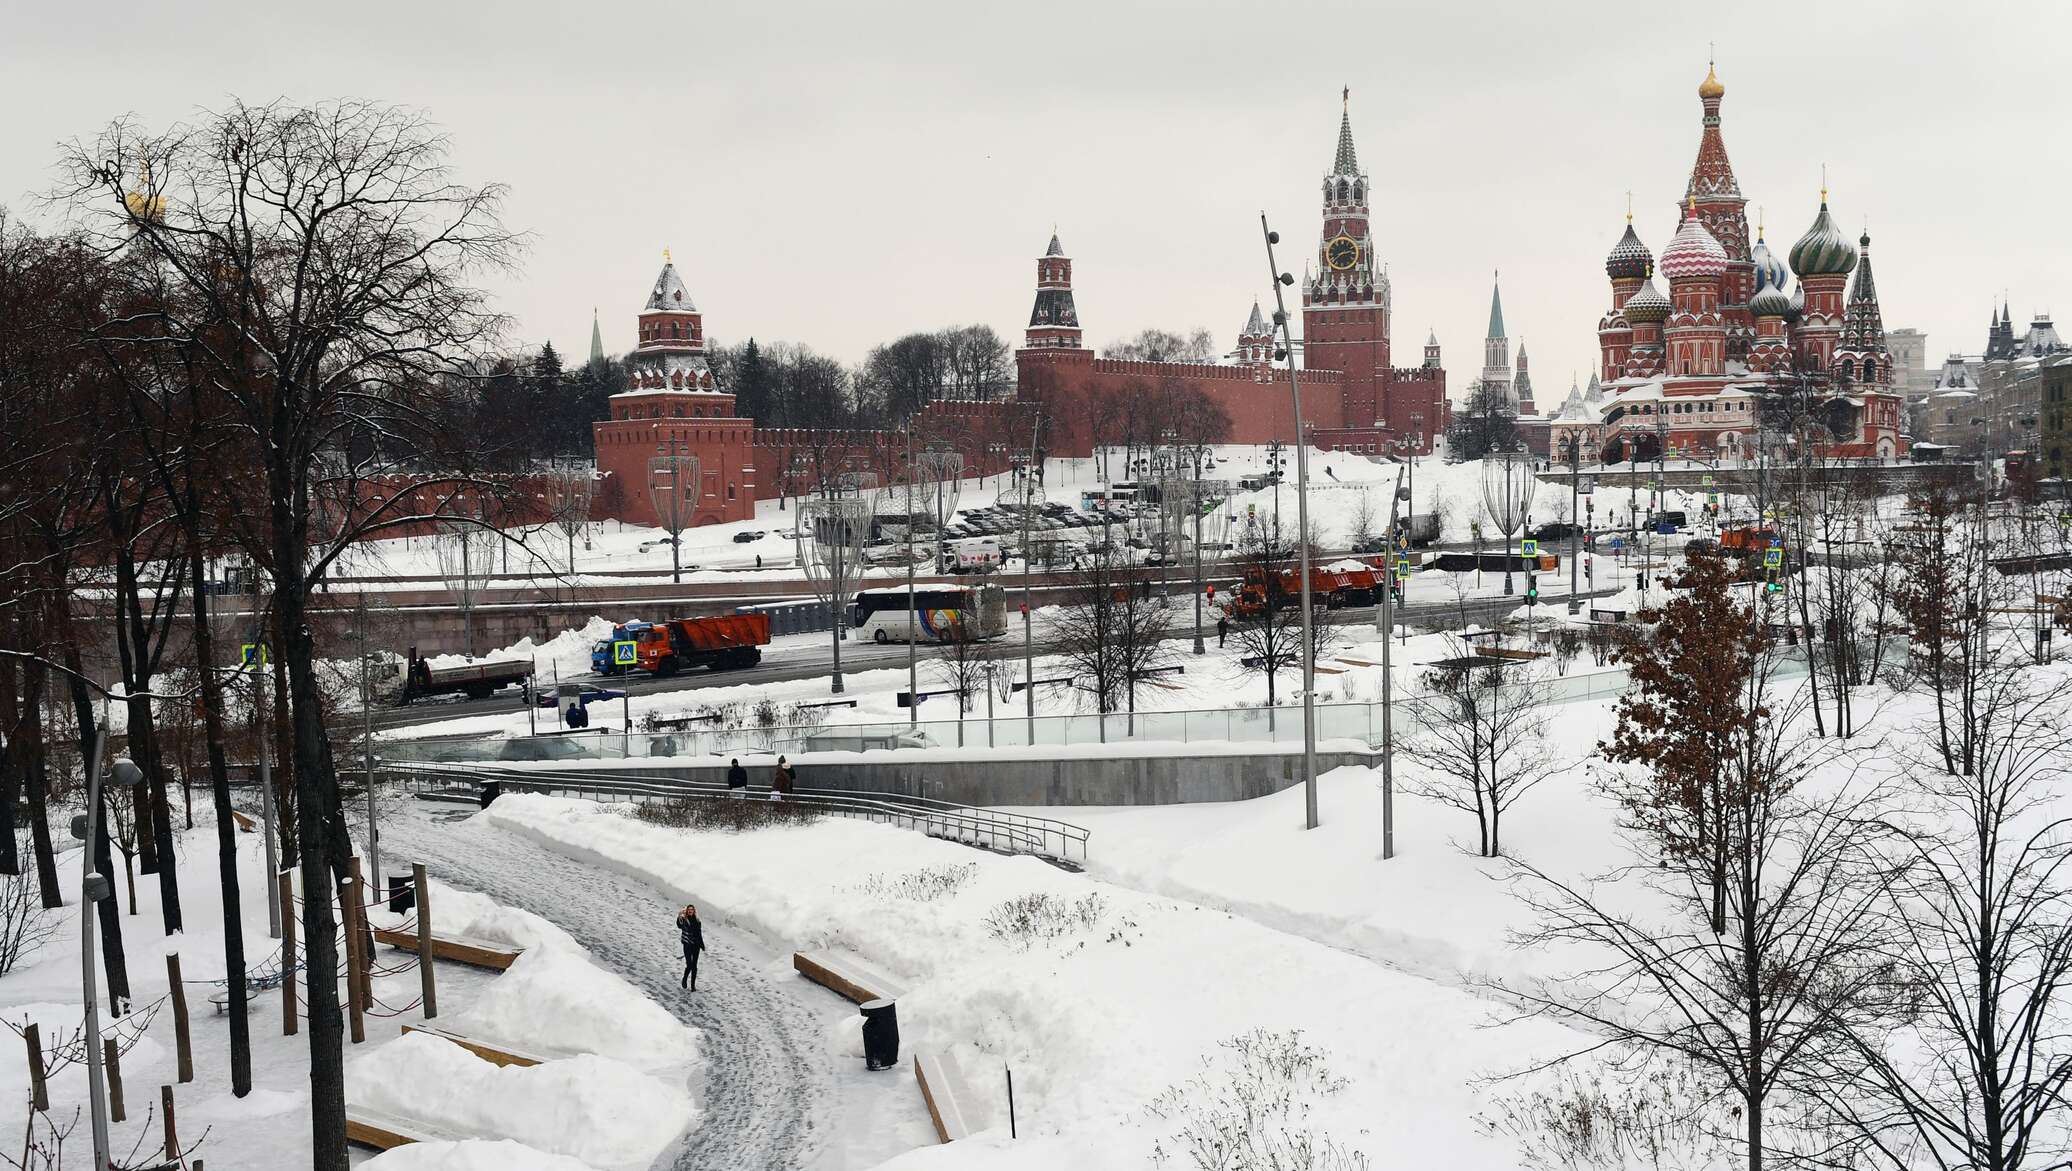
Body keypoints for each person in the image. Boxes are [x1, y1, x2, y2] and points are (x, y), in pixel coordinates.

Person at [675, 904, 704, 990]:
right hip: (687, 945)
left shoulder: (698, 921)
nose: (690, 911)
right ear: (687, 911)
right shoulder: (684, 920)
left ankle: (693, 986)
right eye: (689, 909)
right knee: (689, 965)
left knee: (694, 966)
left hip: (696, 946)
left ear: (694, 911)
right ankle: (684, 978)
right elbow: (679, 925)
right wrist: (679, 915)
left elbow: (699, 934)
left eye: (692, 909)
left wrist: (702, 944)